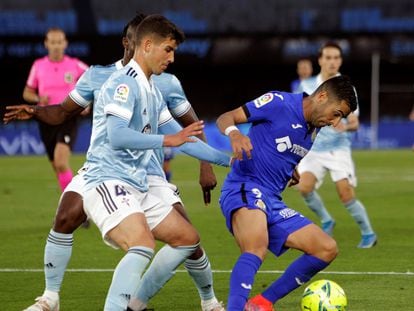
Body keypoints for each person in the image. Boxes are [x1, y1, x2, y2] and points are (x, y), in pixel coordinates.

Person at [6, 14, 226, 311]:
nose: (172, 57)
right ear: (137, 43)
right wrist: (36, 111)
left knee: (188, 239)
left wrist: (235, 160)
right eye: (168, 49)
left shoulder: (159, 86)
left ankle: (147, 302)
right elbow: (113, 132)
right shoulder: (112, 80)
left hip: (142, 175)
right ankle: (50, 298)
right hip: (106, 172)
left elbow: (186, 133)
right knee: (76, 220)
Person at [216, 75, 358, 311]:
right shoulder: (279, 102)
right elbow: (226, 117)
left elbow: (278, 146)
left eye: (340, 117)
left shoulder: (314, 128)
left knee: (326, 248)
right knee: (256, 247)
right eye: (336, 113)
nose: (335, 122)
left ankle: (262, 303)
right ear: (322, 96)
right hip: (245, 187)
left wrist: (290, 168)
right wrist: (235, 134)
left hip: (272, 201)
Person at [296, 42, 377, 248]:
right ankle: (326, 219)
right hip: (312, 149)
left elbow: (355, 123)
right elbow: (298, 117)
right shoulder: (306, 87)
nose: (332, 62)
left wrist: (346, 126)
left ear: (340, 61)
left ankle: (368, 234)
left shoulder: (347, 88)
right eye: (328, 57)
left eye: (336, 58)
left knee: (345, 193)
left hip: (337, 149)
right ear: (321, 60)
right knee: (304, 188)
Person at [23, 27, 88, 191]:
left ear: (65, 43)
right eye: (53, 42)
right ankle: (72, 207)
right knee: (57, 166)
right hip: (46, 118)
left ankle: (76, 206)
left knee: (61, 161)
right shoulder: (38, 66)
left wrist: (87, 102)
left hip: (67, 116)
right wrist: (38, 98)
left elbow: (94, 80)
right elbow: (27, 93)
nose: (56, 46)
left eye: (59, 42)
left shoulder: (75, 64)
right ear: (46, 44)